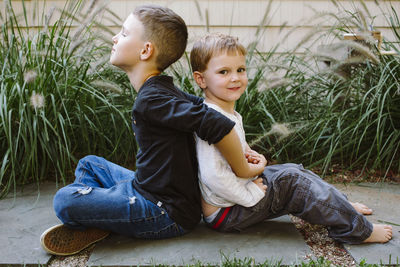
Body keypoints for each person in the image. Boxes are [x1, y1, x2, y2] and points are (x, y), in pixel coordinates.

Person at [40, 5, 249, 256]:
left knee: (64, 200)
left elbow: (216, 121)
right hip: (146, 187)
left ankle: (99, 221)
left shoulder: (152, 99)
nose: (115, 38)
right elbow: (207, 112)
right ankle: (104, 219)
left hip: (165, 212)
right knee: (89, 164)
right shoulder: (163, 89)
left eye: (124, 33)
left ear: (146, 50)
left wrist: (244, 167)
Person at [190, 33, 393, 244]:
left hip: (235, 199)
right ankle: (359, 230)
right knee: (295, 183)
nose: (235, 78)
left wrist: (248, 154)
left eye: (240, 70)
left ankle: (340, 206)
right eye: (224, 72)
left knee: (294, 170)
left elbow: (231, 153)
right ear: (201, 79)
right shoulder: (212, 120)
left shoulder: (222, 112)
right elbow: (213, 176)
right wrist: (250, 194)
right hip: (228, 212)